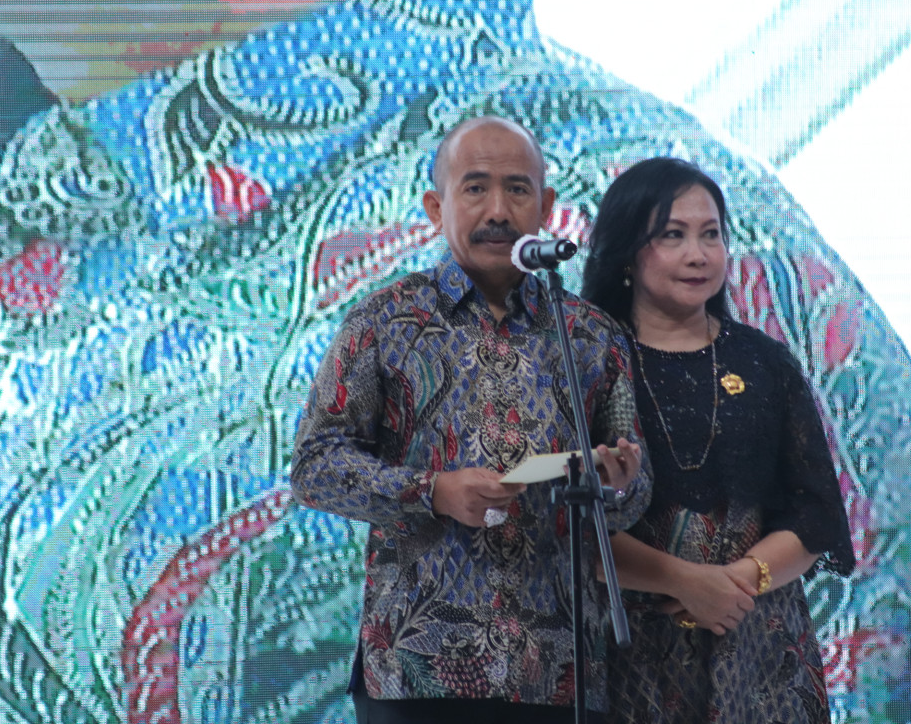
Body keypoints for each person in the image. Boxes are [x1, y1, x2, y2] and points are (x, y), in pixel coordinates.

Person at [290, 115, 650, 724]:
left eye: (518, 189)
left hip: (558, 669)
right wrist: (432, 491)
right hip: (417, 669)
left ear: (547, 208)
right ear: (436, 207)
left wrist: (614, 483)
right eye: (475, 187)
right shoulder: (385, 321)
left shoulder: (591, 335)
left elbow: (634, 492)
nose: (498, 211)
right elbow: (315, 466)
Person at [580, 157, 856, 723]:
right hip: (633, 660)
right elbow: (565, 527)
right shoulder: (586, 365)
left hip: (762, 653)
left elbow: (815, 511)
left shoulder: (765, 363)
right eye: (672, 236)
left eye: (711, 235)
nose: (698, 254)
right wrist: (685, 583)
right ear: (627, 252)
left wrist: (737, 584)